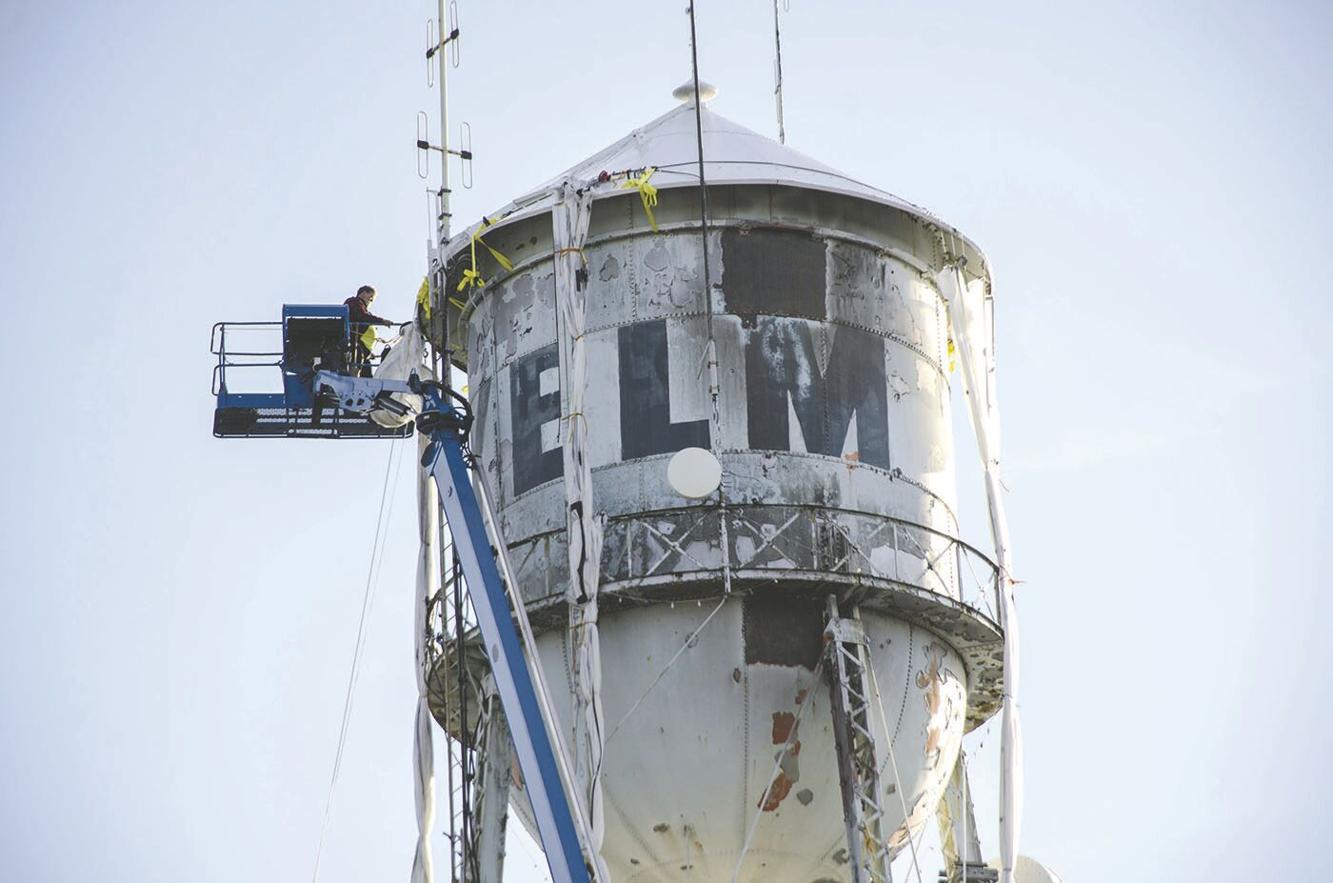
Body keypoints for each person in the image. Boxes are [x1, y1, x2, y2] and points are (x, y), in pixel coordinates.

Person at [344, 285, 394, 376]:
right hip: (354, 344)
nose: (371, 301)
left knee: (367, 373)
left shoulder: (363, 308)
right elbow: (361, 316)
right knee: (358, 364)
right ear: (363, 293)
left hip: (362, 349)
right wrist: (382, 321)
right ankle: (353, 375)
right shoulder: (355, 302)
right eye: (370, 297)